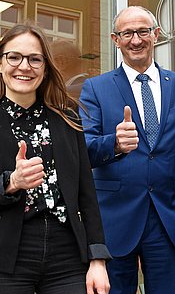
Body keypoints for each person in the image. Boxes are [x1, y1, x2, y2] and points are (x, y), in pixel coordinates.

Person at [79, 6, 175, 294]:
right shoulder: (95, 89)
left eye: (143, 32)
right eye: (127, 33)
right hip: (114, 222)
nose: (135, 40)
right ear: (115, 39)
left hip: (167, 222)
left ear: (156, 35)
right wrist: (113, 143)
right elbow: (83, 152)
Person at [0, 22, 110, 294]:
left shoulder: (67, 118)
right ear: (0, 63)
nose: (24, 66)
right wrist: (11, 183)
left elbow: (87, 193)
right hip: (6, 255)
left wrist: (97, 259)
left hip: (67, 255)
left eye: (35, 59)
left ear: (46, 67)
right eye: (14, 57)